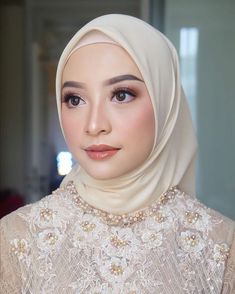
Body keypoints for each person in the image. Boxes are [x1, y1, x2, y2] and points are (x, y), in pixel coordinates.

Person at [0, 14, 234, 293]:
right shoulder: (16, 239)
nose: (95, 125)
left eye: (121, 95)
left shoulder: (221, 244)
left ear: (165, 102)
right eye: (75, 99)